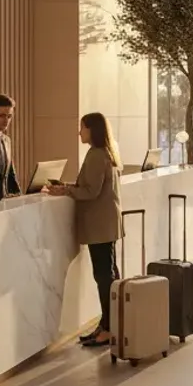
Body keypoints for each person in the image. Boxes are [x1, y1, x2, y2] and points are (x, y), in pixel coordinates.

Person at [44, 112, 123, 346]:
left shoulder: (98, 155)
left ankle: (109, 328)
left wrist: (67, 191)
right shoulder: (102, 152)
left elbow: (91, 192)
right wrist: (67, 187)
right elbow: (89, 186)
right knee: (108, 275)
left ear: (92, 130)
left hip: (100, 226)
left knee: (104, 277)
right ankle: (109, 325)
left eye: (82, 128)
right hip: (104, 225)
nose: (79, 132)